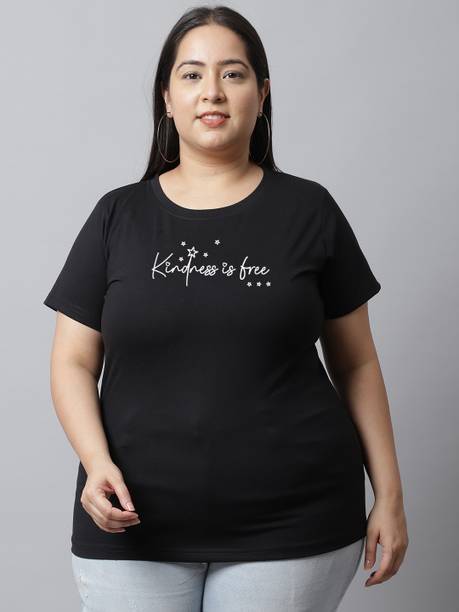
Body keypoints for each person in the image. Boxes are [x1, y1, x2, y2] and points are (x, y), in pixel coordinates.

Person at [43, 5, 408, 611]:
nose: (211, 91)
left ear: (261, 95)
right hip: (132, 524)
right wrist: (95, 461)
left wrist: (389, 495)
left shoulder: (310, 211)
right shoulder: (117, 217)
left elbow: (357, 364)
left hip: (294, 524)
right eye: (191, 75)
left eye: (232, 74)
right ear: (166, 98)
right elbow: (72, 361)